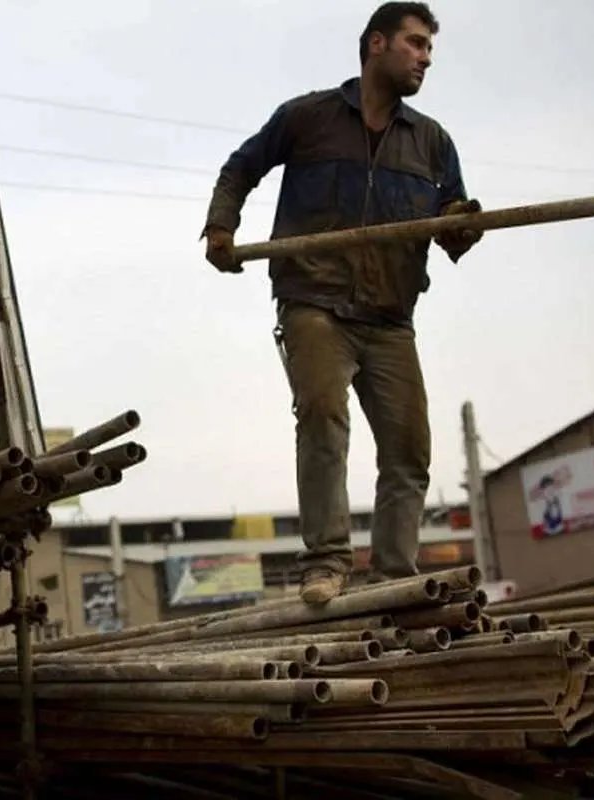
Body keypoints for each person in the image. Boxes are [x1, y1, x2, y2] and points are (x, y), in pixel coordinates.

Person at [202, 2, 483, 604]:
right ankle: (326, 563)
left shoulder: (431, 142)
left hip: (390, 318)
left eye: (429, 49)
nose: (425, 58)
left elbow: (452, 223)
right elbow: (240, 167)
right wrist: (221, 230)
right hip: (314, 302)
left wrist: (462, 223)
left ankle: (393, 579)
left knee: (409, 451)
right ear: (376, 45)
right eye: (414, 44)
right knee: (324, 417)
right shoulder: (308, 118)